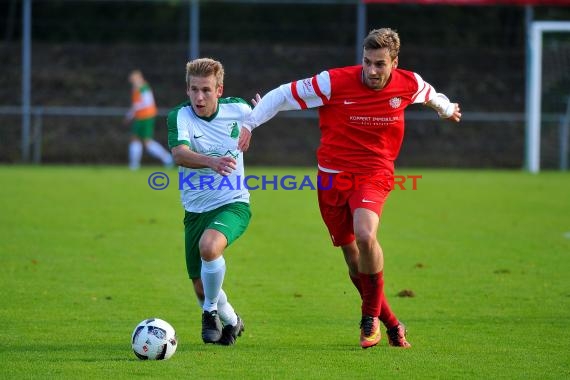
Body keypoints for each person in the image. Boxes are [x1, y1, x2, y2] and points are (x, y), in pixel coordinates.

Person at [239, 28, 461, 349]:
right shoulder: (334, 82)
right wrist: (250, 124)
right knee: (354, 261)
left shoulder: (408, 83)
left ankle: (368, 318)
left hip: (374, 172)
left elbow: (431, 96)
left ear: (394, 63)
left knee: (366, 234)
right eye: (367, 62)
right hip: (331, 178)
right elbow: (282, 95)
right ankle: (393, 324)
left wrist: (447, 108)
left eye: (380, 64)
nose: (371, 71)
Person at [167, 58, 256, 345]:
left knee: (209, 247)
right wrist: (212, 162)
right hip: (194, 211)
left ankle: (208, 314)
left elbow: (259, 114)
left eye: (206, 90)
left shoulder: (238, 109)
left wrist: (257, 118)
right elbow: (179, 154)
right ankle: (232, 320)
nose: (199, 97)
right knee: (201, 286)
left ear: (219, 90)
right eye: (194, 89)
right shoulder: (179, 116)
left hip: (233, 203)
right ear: (187, 89)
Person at [126, 69, 173, 170]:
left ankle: (167, 158)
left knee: (145, 141)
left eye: (134, 80)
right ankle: (134, 165)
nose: (133, 82)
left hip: (145, 117)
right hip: (141, 117)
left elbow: (146, 103)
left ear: (140, 78)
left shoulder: (143, 88)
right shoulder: (138, 89)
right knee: (138, 140)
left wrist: (131, 114)